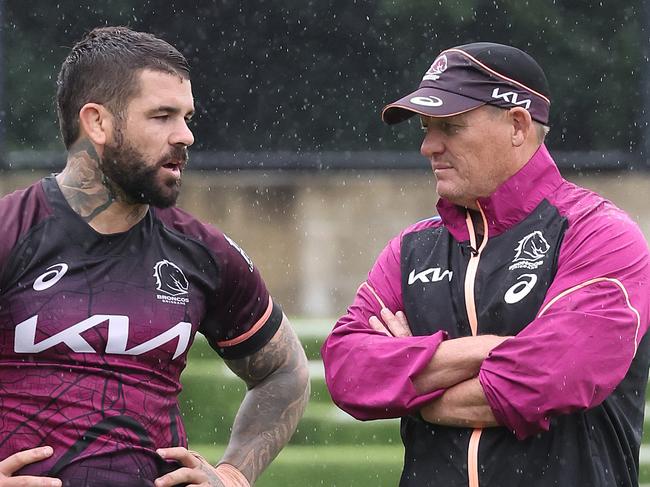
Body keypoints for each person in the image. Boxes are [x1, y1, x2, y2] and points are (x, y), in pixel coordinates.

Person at [321, 42, 650, 486]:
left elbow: (554, 376)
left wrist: (411, 385)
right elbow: (346, 371)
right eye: (425, 127)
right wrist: (492, 349)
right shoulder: (410, 247)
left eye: (450, 127)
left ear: (517, 125)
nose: (427, 146)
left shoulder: (600, 233)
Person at [0, 26, 310, 487]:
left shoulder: (204, 252)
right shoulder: (10, 232)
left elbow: (285, 373)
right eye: (162, 116)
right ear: (97, 123)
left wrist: (232, 476)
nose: (185, 135)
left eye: (187, 117)